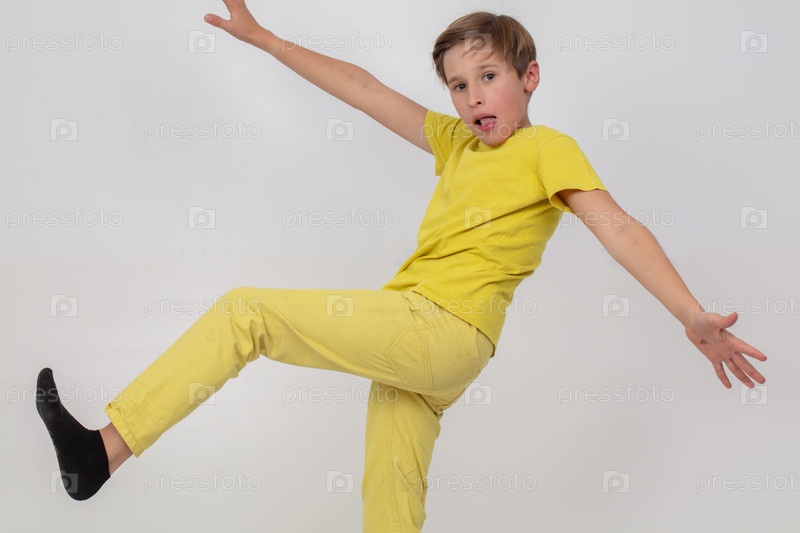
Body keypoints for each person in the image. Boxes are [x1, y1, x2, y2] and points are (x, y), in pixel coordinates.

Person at [36, 1, 767, 531]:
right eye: (458, 85)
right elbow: (364, 90)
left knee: (245, 311)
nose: (472, 97)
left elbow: (618, 226)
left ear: (530, 77)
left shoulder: (547, 150)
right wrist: (266, 41)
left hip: (439, 328)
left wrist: (689, 314)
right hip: (428, 350)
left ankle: (103, 452)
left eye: (488, 76)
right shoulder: (456, 144)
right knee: (390, 499)